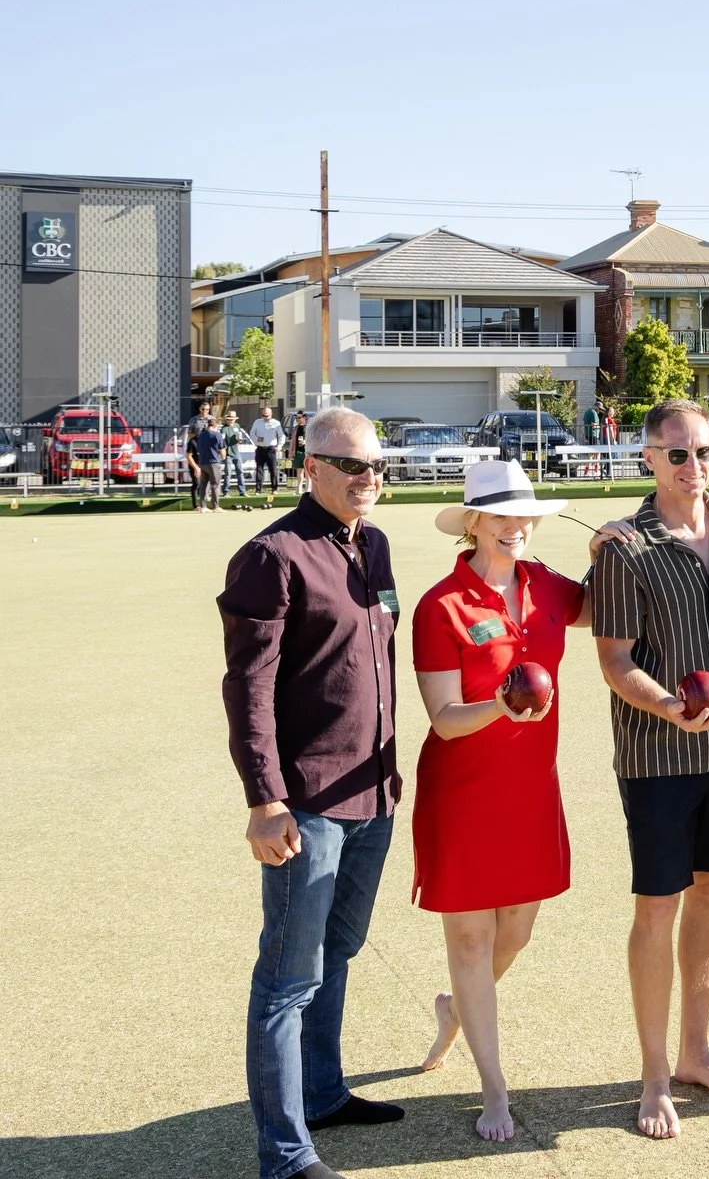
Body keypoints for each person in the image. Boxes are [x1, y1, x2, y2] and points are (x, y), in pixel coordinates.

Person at [217, 407, 403, 1179]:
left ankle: (323, 1093)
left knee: (338, 953)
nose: (369, 480)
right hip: (307, 804)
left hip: (376, 794)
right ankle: (286, 1155)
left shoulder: (377, 544)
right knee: (288, 978)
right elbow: (248, 689)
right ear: (309, 465)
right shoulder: (270, 556)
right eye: (352, 466)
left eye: (377, 468)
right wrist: (265, 798)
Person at [591, 397, 709, 1140]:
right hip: (659, 756)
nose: (694, 467)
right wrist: (669, 706)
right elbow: (614, 660)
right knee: (657, 909)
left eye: (703, 451)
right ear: (648, 459)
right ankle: (655, 1072)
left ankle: (698, 1052)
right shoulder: (624, 547)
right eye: (677, 455)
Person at [409, 459, 592, 1142]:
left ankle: (456, 1006)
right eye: (503, 517)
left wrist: (620, 550)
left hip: (530, 789)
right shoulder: (440, 606)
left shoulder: (547, 587)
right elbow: (445, 717)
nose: (517, 527)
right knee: (470, 934)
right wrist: (503, 705)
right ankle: (493, 1088)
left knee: (514, 930)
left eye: (526, 516)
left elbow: (609, 605)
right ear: (475, 524)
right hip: (461, 792)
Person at [250, 405, 285, 502]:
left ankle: (274, 488)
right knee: (259, 469)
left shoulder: (276, 423)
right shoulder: (257, 422)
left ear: (271, 414)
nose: (265, 418)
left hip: (271, 449)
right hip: (260, 448)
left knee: (273, 470)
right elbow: (252, 433)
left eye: (267, 416)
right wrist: (256, 440)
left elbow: (281, 436)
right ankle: (258, 489)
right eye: (263, 415)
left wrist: (279, 446)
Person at [194, 416, 226, 512]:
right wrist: (223, 457)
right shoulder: (217, 435)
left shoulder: (201, 435)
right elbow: (222, 450)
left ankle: (203, 506)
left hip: (203, 461)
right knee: (215, 484)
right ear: (215, 425)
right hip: (214, 462)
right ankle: (216, 506)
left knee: (203, 484)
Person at [221, 409, 249, 498]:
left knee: (240, 471)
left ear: (235, 419)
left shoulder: (237, 426)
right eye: (229, 419)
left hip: (236, 451)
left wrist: (239, 440)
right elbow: (222, 440)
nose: (230, 421)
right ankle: (226, 491)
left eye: (232, 419)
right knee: (228, 473)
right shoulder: (224, 428)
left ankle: (242, 491)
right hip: (228, 453)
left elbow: (240, 437)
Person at [288, 412, 310, 494]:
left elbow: (314, 440)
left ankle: (308, 489)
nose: (298, 419)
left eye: (299, 417)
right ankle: (299, 489)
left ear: (304, 418)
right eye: (297, 418)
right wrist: (291, 453)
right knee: (299, 472)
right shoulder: (296, 428)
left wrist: (306, 442)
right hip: (297, 452)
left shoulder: (309, 428)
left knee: (308, 472)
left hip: (307, 453)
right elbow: (292, 442)